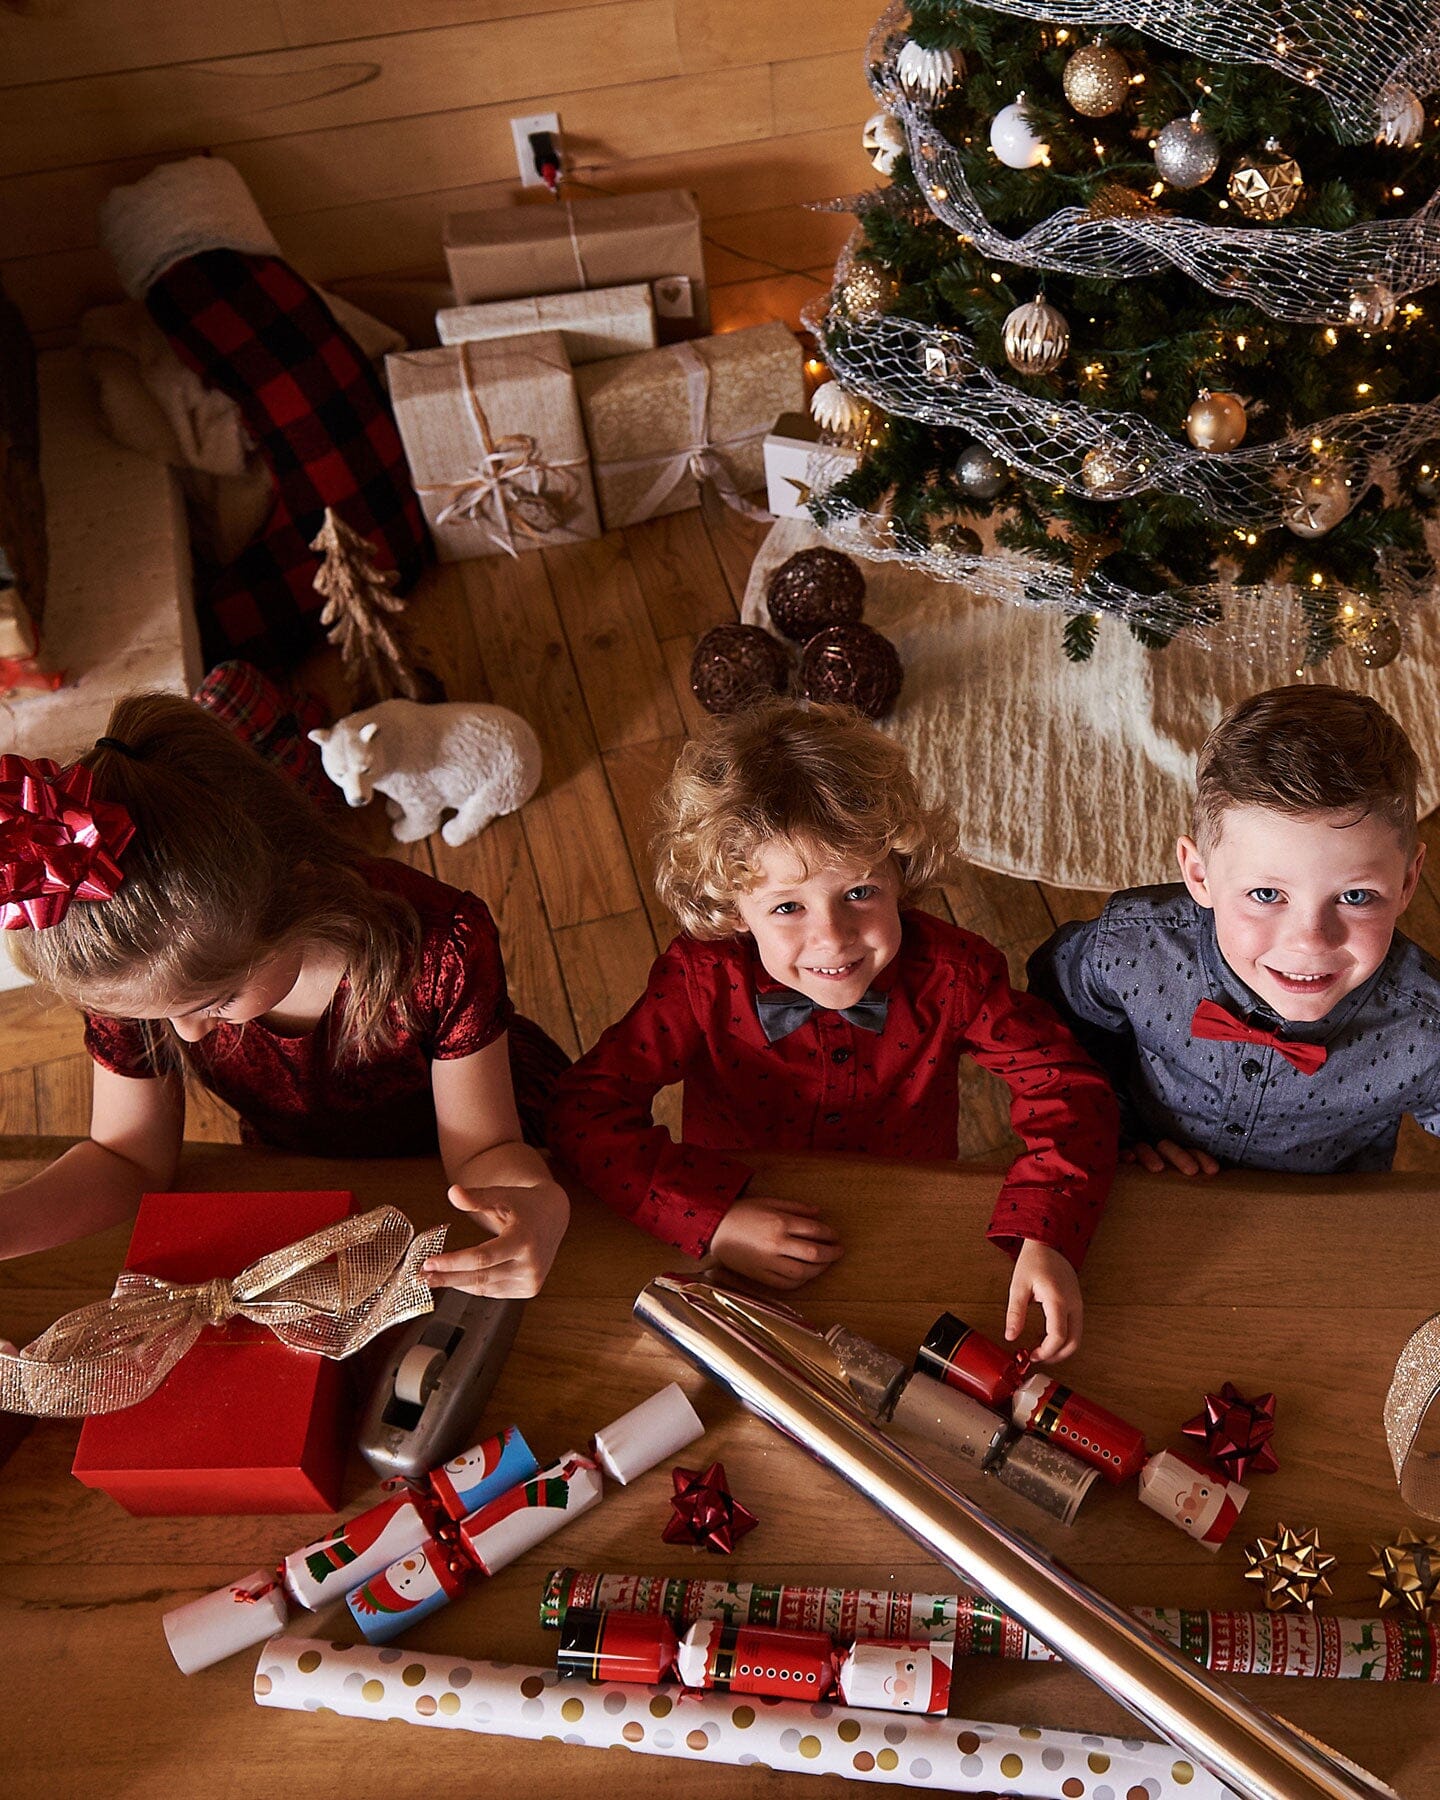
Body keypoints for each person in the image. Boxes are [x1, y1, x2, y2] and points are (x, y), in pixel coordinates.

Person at [548, 702, 1118, 1362]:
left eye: (860, 894)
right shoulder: (700, 982)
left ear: (901, 873)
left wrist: (1047, 1232)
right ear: (733, 910)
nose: (833, 937)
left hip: (909, 1219)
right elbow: (583, 1111)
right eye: (787, 906)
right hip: (740, 1227)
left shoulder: (956, 974)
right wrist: (714, 1219)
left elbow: (1070, 1091)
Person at [0, 692, 570, 1296]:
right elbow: (125, 1158)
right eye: (165, 1016)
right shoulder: (146, 974)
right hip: (304, 1166)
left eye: (215, 1002)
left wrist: (539, 1204)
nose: (188, 1035)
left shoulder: (436, 950)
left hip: (478, 1137)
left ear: (298, 892)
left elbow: (483, 1151)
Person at [1028, 683, 1434, 1177]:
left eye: (1354, 896)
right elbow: (1049, 1026)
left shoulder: (1427, 1027)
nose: (1310, 940)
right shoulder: (1130, 947)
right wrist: (1104, 1128)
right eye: (1267, 895)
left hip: (1318, 1222)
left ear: (1408, 881)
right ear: (1199, 874)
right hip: (1135, 1177)